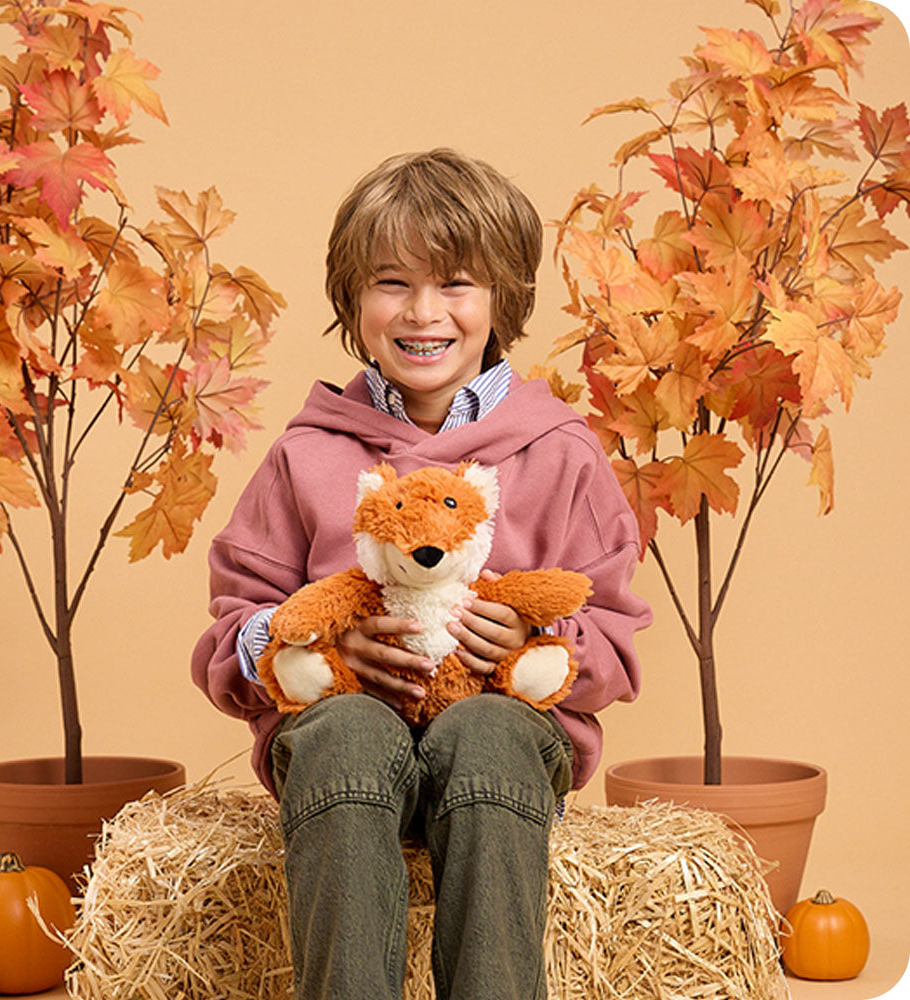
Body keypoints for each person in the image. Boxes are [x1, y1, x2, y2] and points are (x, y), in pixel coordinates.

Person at [191, 148, 651, 1000]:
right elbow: (233, 628)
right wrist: (310, 641)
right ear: (352, 298)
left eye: (457, 284)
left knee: (486, 733)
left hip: (498, 744)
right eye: (392, 282)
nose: (423, 312)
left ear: (504, 298)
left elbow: (617, 639)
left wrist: (538, 638)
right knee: (344, 733)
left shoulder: (562, 453)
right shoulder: (308, 453)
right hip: (342, 749)